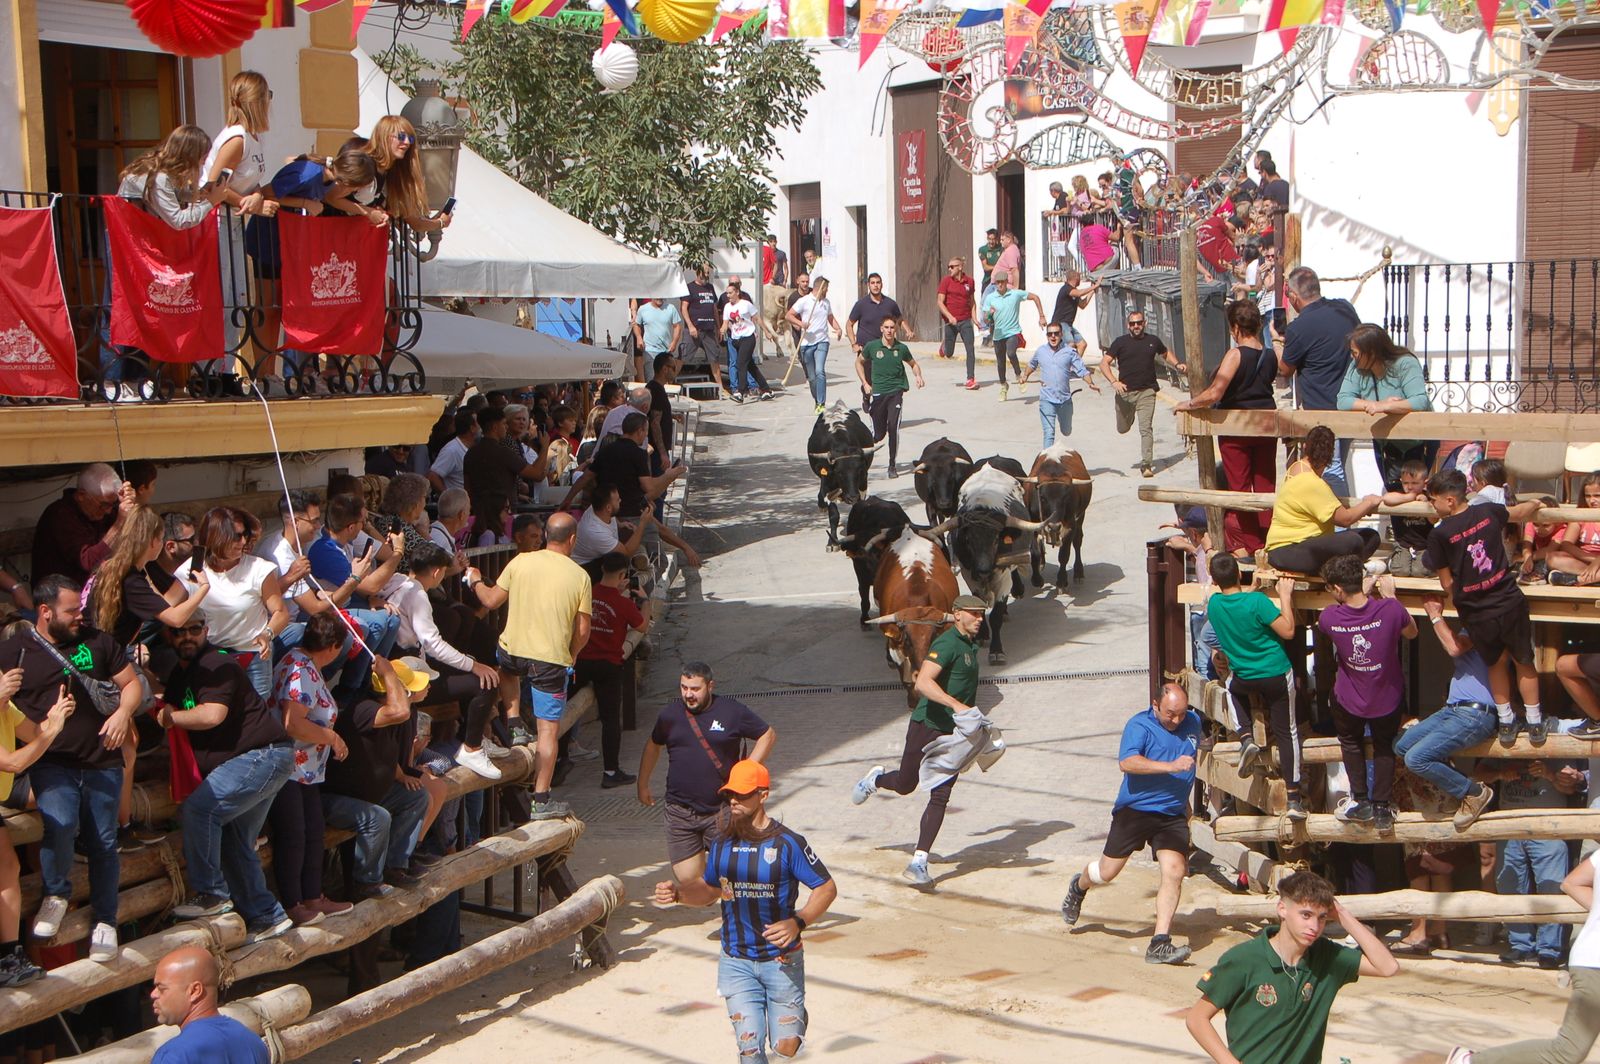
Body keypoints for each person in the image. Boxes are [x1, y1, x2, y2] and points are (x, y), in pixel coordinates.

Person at [653, 760, 836, 1064]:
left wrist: (798, 921)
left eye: (742, 794)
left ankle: (795, 1016)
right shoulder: (723, 842)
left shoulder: (789, 843)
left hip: (781, 960)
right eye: (730, 795)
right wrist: (678, 894)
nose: (734, 801)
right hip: (735, 960)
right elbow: (711, 889)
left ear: (763, 795)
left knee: (785, 1048)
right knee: (749, 1051)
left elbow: (826, 887)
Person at [4, 576, 143, 963]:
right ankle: (56, 894)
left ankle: (106, 921)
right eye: (71, 611)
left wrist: (122, 712)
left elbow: (131, 684)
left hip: (101, 759)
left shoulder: (98, 641)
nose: (80, 616)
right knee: (60, 823)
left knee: (102, 840)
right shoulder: (16, 649)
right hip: (52, 762)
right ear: (45, 612)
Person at [157, 616, 295, 942]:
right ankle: (267, 915)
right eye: (180, 631)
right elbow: (164, 699)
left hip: (261, 756)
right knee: (234, 838)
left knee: (200, 810)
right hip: (259, 761)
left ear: (207, 631)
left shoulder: (218, 663)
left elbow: (211, 714)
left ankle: (211, 893)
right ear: (168, 635)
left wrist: (169, 717)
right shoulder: (182, 673)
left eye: (195, 629)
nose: (188, 636)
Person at [1186, 870, 1399, 1064]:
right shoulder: (1244, 959)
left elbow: (1387, 967)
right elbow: (1197, 1018)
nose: (1314, 927)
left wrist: (1343, 914)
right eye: (1305, 915)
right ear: (1282, 909)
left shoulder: (1326, 956)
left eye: (1322, 918)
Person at [1060, 683, 1201, 965]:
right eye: (1170, 714)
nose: (1177, 720)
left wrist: (1187, 810)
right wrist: (1171, 766)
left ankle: (1160, 943)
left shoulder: (1193, 722)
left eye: (1182, 714)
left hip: (1171, 815)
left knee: (1174, 872)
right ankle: (1079, 886)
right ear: (1155, 705)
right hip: (1136, 811)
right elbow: (1128, 762)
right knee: (1106, 872)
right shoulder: (1139, 725)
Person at [851, 595, 986, 885]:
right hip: (927, 724)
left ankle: (919, 862)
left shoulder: (970, 646)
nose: (980, 619)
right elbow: (923, 683)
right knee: (905, 785)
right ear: (957, 614)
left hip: (955, 734)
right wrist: (957, 706)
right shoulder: (947, 643)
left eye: (982, 614)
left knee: (940, 793)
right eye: (974, 614)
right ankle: (875, 780)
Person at [470, 512, 590, 820]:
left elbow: (491, 600)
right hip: (550, 659)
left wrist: (474, 580)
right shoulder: (579, 576)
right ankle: (542, 798)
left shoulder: (520, 561)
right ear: (572, 539)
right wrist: (573, 654)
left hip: (513, 651)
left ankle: (514, 724)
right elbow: (582, 631)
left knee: (506, 669)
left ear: (547, 535)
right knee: (548, 732)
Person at [1421, 468, 1548, 744]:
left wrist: (1463, 594)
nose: (1432, 506)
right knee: (1524, 660)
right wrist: (1537, 504)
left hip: (1477, 610)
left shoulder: (1439, 535)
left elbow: (1445, 582)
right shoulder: (1489, 510)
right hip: (1508, 599)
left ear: (1449, 500)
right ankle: (1535, 722)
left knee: (1495, 663)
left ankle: (1505, 721)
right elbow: (1520, 512)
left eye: (1434, 500)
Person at [1447, 846, 1600, 1063]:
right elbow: (1571, 883)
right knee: (1567, 1052)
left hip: (1590, 957)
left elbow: (1572, 882)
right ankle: (1472, 1061)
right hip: (1595, 963)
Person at [637, 662, 775, 888]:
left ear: (710, 686)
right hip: (680, 811)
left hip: (721, 809)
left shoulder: (732, 711)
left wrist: (748, 768)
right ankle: (714, 894)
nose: (688, 695)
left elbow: (767, 734)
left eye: (695, 689)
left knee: (735, 873)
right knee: (691, 882)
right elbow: (653, 745)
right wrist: (642, 784)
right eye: (684, 688)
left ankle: (737, 907)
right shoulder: (670, 715)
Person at [268, 611, 355, 927]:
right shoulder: (300, 670)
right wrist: (330, 736)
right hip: (290, 766)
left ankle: (312, 896)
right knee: (294, 834)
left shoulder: (299, 661)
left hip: (306, 770)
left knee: (312, 832)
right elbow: (294, 722)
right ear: (332, 646)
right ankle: (293, 902)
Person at [1318, 556, 1417, 833]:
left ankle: (1360, 800)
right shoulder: (1390, 610)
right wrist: (1391, 597)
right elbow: (1412, 632)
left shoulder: (1329, 617)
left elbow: (1338, 619)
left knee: (1350, 742)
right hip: (1387, 698)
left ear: (1338, 589)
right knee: (1384, 745)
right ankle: (1382, 807)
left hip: (1349, 699)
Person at [321, 656, 434, 896]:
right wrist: (389, 675)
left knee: (416, 797)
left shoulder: (399, 716)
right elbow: (400, 711)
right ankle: (367, 881)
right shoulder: (366, 709)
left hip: (370, 794)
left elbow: (386, 753)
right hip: (336, 799)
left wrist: (402, 775)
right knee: (378, 818)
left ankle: (395, 865)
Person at [389, 543, 502, 781]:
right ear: (437, 572)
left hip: (404, 666)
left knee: (467, 668)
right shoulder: (418, 594)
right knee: (486, 681)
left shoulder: (397, 581)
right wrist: (474, 666)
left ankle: (475, 739)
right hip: (411, 677)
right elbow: (433, 644)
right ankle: (471, 747)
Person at [1174, 300, 1279, 555]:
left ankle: (1252, 546)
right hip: (1266, 426)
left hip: (1237, 429)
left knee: (1239, 489)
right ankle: (1269, 542)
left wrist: (1189, 403)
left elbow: (1216, 392)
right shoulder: (1269, 355)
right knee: (1265, 487)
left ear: (1235, 328)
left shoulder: (1235, 354)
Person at [1206, 556, 1306, 819]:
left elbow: (1237, 603)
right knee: (1288, 732)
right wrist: (1285, 595)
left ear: (1214, 580)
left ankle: (1246, 737)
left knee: (1230, 686)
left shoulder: (1214, 605)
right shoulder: (1259, 602)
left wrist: (1252, 589)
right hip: (1275, 673)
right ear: (1240, 574)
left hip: (1245, 678)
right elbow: (1287, 631)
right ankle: (1294, 799)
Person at [1394, 597, 1500, 834]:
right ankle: (1458, 785)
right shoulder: (1472, 623)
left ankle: (1473, 793)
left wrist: (1434, 615)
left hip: (1474, 714)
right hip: (1453, 710)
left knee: (1416, 759)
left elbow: (1454, 647)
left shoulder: (1485, 622)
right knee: (1402, 746)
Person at [0, 664, 71, 986]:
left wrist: (55, 718)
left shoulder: (7, 707)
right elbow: (14, 762)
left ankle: (8, 956)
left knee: (8, 871)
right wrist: (52, 730)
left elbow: (34, 735)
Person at [203, 70, 278, 369]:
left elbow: (247, 183)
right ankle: (214, 368)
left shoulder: (253, 138)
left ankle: (224, 366)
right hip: (215, 222)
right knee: (223, 296)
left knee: (236, 296)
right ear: (257, 101)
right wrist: (253, 204)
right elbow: (212, 186)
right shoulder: (235, 140)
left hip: (232, 221)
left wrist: (258, 197)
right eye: (267, 96)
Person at [180, 507, 290, 700]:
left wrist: (267, 634)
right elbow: (167, 611)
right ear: (216, 537)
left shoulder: (259, 568)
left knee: (255, 718)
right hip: (210, 658)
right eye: (236, 537)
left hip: (252, 657)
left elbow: (280, 612)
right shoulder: (191, 570)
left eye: (245, 535)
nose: (243, 542)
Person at [1265, 426, 1406, 574]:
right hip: (1288, 549)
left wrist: (1362, 509)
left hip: (1298, 546)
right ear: (1330, 455)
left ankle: (1342, 568)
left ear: (1305, 446)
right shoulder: (1311, 482)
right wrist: (1368, 503)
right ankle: (1346, 569)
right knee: (1352, 541)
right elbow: (1345, 519)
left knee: (1370, 536)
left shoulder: (1296, 467)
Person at [1279, 267, 1361, 496]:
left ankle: (1340, 528)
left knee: (1330, 469)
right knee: (1335, 465)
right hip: (1351, 404)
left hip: (1322, 410)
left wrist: (1277, 345)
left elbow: (1285, 369)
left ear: (1293, 297)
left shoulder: (1299, 328)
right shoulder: (1345, 309)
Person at [577, 552, 649, 787]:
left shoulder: (587, 594)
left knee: (566, 710)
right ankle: (610, 772)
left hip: (581, 661)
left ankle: (560, 760)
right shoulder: (624, 603)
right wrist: (645, 601)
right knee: (610, 720)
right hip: (608, 665)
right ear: (622, 575)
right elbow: (642, 625)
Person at [149, 946, 269, 1063]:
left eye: (161, 988)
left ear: (195, 991)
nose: (153, 994)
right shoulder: (254, 1043)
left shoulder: (173, 1056)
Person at [1103, 311, 1185, 478]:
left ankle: (1146, 464)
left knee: (1146, 428)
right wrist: (1114, 382)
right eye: (1132, 323)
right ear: (1128, 325)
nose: (1136, 326)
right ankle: (1129, 416)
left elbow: (1165, 353)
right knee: (1122, 428)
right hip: (1125, 393)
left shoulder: (1152, 341)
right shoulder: (1120, 343)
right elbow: (1104, 363)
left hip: (1146, 392)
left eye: (1139, 323)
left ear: (1144, 323)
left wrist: (1178, 364)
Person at [31, 462, 132, 585]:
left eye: (113, 504)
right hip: (60, 596)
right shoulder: (60, 515)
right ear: (81, 496)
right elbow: (88, 561)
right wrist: (118, 525)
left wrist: (129, 503)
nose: (108, 511)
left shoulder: (104, 507)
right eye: (104, 505)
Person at [853, 315, 925, 479]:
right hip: (878, 394)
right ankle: (860, 456)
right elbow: (859, 362)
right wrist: (865, 383)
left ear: (896, 329)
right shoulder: (872, 347)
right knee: (878, 436)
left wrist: (918, 376)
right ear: (881, 329)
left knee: (893, 427)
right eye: (886, 327)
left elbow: (913, 364)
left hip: (896, 393)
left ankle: (892, 465)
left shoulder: (901, 348)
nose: (889, 330)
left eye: (892, 327)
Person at [117, 125, 226, 230]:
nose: (203, 164)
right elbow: (178, 221)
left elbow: (172, 193)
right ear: (190, 157)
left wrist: (198, 195)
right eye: (203, 159)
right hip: (129, 238)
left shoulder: (164, 171)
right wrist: (210, 202)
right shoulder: (159, 177)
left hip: (135, 233)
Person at [1019, 320, 1101, 448]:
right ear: (1047, 336)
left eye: (1056, 333)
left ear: (1061, 334)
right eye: (1050, 334)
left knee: (1066, 431)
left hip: (1064, 400)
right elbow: (1032, 364)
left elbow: (1081, 369)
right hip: (1046, 399)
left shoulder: (1069, 352)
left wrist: (1090, 383)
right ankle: (1046, 465)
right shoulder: (1041, 351)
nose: (1053, 336)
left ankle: (1065, 423)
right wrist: (1024, 376)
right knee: (1049, 433)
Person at [463, 407, 548, 521]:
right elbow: (537, 474)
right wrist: (545, 447)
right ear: (495, 427)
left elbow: (467, 487)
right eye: (504, 424)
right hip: (502, 515)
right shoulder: (503, 452)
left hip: (478, 514)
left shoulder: (471, 453)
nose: (506, 427)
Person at [980, 269, 1047, 400]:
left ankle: (1018, 375)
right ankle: (1003, 385)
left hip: (1013, 331)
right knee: (1000, 362)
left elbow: (1035, 297)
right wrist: (989, 314)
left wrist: (1041, 316)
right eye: (997, 283)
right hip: (998, 334)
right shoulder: (990, 298)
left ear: (1006, 282)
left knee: (1011, 353)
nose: (1000, 285)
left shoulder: (1015, 294)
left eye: (1002, 282)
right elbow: (986, 319)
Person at [787, 276, 843, 412]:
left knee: (820, 372)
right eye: (826, 289)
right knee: (811, 378)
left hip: (822, 341)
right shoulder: (804, 301)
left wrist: (838, 328)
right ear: (820, 288)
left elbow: (830, 317)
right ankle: (817, 400)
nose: (827, 291)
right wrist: (801, 324)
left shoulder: (826, 302)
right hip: (806, 343)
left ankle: (821, 404)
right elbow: (789, 315)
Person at [572, 482, 652, 568]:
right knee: (621, 563)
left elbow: (611, 515)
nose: (620, 500)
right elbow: (626, 554)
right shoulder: (596, 532)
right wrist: (642, 524)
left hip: (598, 549)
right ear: (608, 508)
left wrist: (620, 524)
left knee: (631, 534)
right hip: (586, 565)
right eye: (617, 500)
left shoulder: (598, 507)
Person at [721, 280, 773, 403]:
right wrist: (722, 329)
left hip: (748, 337)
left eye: (730, 293)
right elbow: (725, 323)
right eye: (727, 293)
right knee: (750, 366)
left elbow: (757, 319)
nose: (728, 296)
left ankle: (741, 392)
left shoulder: (746, 304)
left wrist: (766, 331)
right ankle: (766, 390)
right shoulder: (727, 307)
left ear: (737, 292)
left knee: (740, 363)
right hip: (736, 339)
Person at [680, 264, 727, 394]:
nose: (706, 275)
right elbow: (684, 308)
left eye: (708, 273)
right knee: (682, 357)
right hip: (694, 329)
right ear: (697, 272)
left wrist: (718, 327)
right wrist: (690, 326)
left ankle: (721, 388)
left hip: (709, 330)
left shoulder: (710, 287)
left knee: (714, 358)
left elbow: (714, 308)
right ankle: (671, 384)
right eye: (704, 273)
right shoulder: (689, 288)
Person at [846, 273, 914, 357]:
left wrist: (908, 330)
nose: (875, 285)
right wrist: (854, 344)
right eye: (873, 283)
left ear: (881, 285)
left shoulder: (890, 304)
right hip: (866, 350)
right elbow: (849, 324)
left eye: (878, 282)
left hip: (885, 349)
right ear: (868, 285)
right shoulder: (861, 304)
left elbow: (900, 320)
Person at [936, 256, 977, 383]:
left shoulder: (969, 281)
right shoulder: (946, 281)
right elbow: (939, 302)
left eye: (952, 267)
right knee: (949, 354)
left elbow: (972, 302)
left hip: (965, 321)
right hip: (951, 322)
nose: (949, 269)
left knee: (970, 349)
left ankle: (970, 378)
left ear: (960, 267)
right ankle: (945, 348)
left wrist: (975, 319)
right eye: (948, 267)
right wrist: (949, 317)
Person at [427, 408, 478, 495]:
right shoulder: (452, 450)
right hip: (458, 505)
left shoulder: (473, 448)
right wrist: (449, 497)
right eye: (478, 423)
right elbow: (433, 476)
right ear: (472, 428)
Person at [634, 298, 684, 387]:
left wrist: (674, 342)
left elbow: (677, 327)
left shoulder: (671, 308)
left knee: (667, 381)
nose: (660, 298)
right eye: (657, 296)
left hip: (666, 352)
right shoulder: (643, 309)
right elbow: (636, 325)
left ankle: (665, 398)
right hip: (649, 351)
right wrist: (639, 337)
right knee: (652, 381)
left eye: (662, 296)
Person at [646, 351, 681, 475]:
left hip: (657, 450)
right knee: (659, 489)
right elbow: (655, 422)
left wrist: (670, 416)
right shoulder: (656, 391)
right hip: (656, 452)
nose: (675, 371)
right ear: (665, 369)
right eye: (673, 367)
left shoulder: (655, 388)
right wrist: (662, 453)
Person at [1050, 270, 1097, 354]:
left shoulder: (1074, 291)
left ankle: (1075, 365)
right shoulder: (1066, 288)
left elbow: (1083, 305)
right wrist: (1094, 286)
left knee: (1082, 344)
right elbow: (1079, 293)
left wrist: (1092, 291)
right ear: (1076, 278)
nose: (1080, 280)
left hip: (1068, 324)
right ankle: (1065, 365)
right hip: (1060, 323)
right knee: (1070, 345)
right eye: (1079, 277)